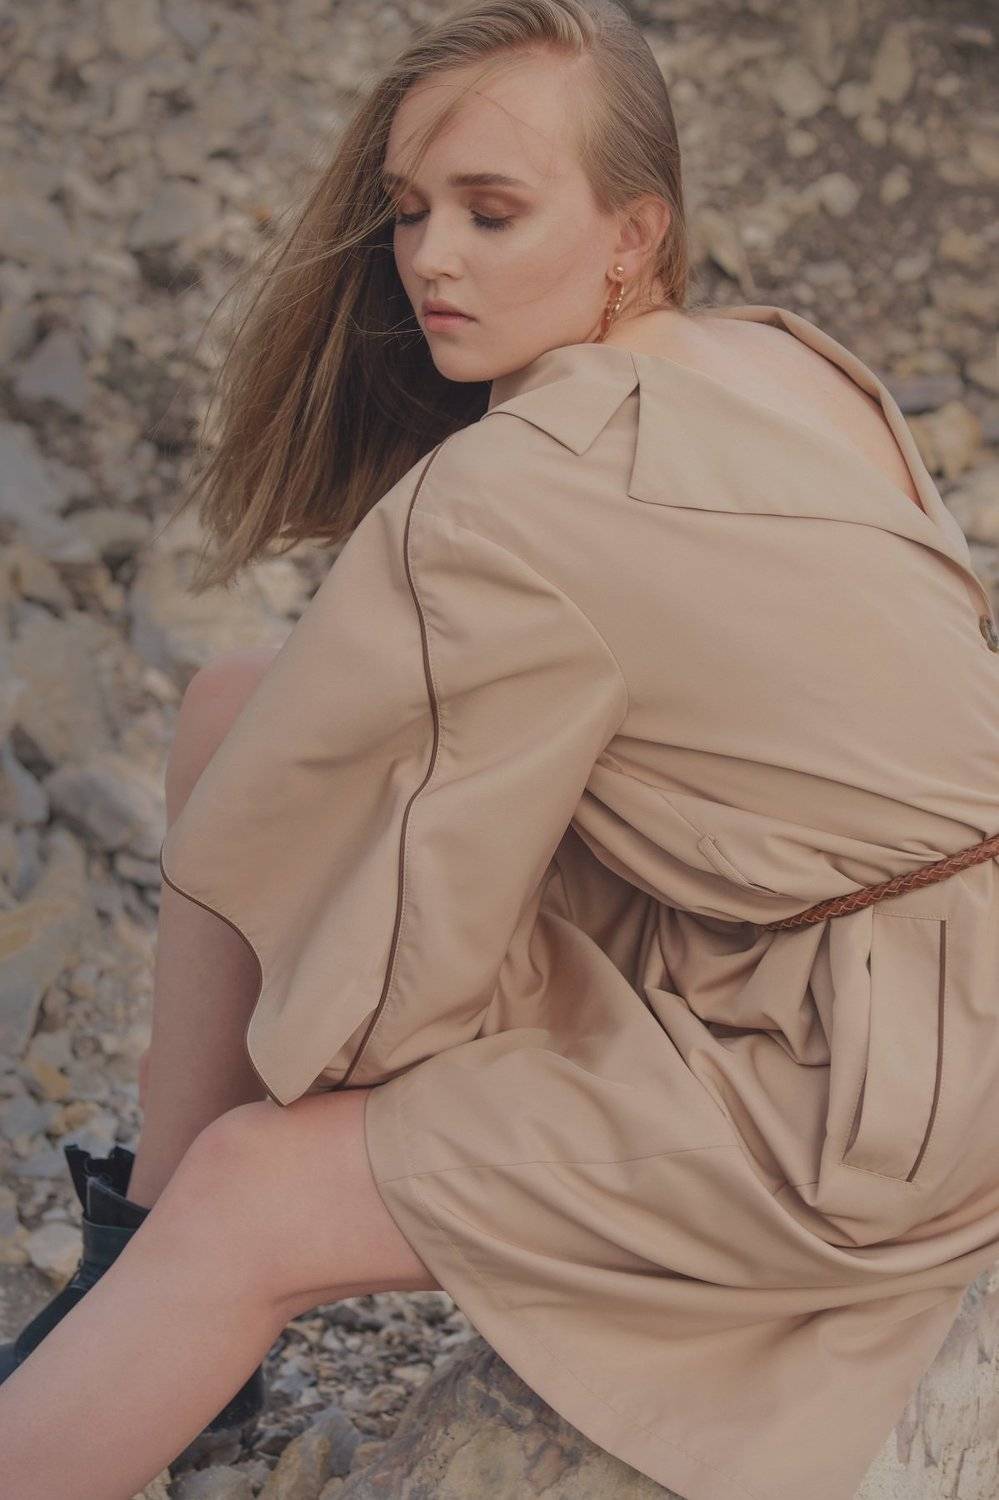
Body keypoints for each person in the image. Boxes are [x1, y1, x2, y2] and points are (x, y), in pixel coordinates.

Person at [3, 2, 999, 1497]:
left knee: (252, 1188)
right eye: (410, 211)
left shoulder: (517, 485)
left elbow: (393, 983)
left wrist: (320, 1092)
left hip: (867, 1099)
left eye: (492, 211)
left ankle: (159, 1284)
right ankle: (135, 1276)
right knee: (234, 705)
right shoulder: (789, 357)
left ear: (633, 233)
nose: (430, 261)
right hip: (922, 969)